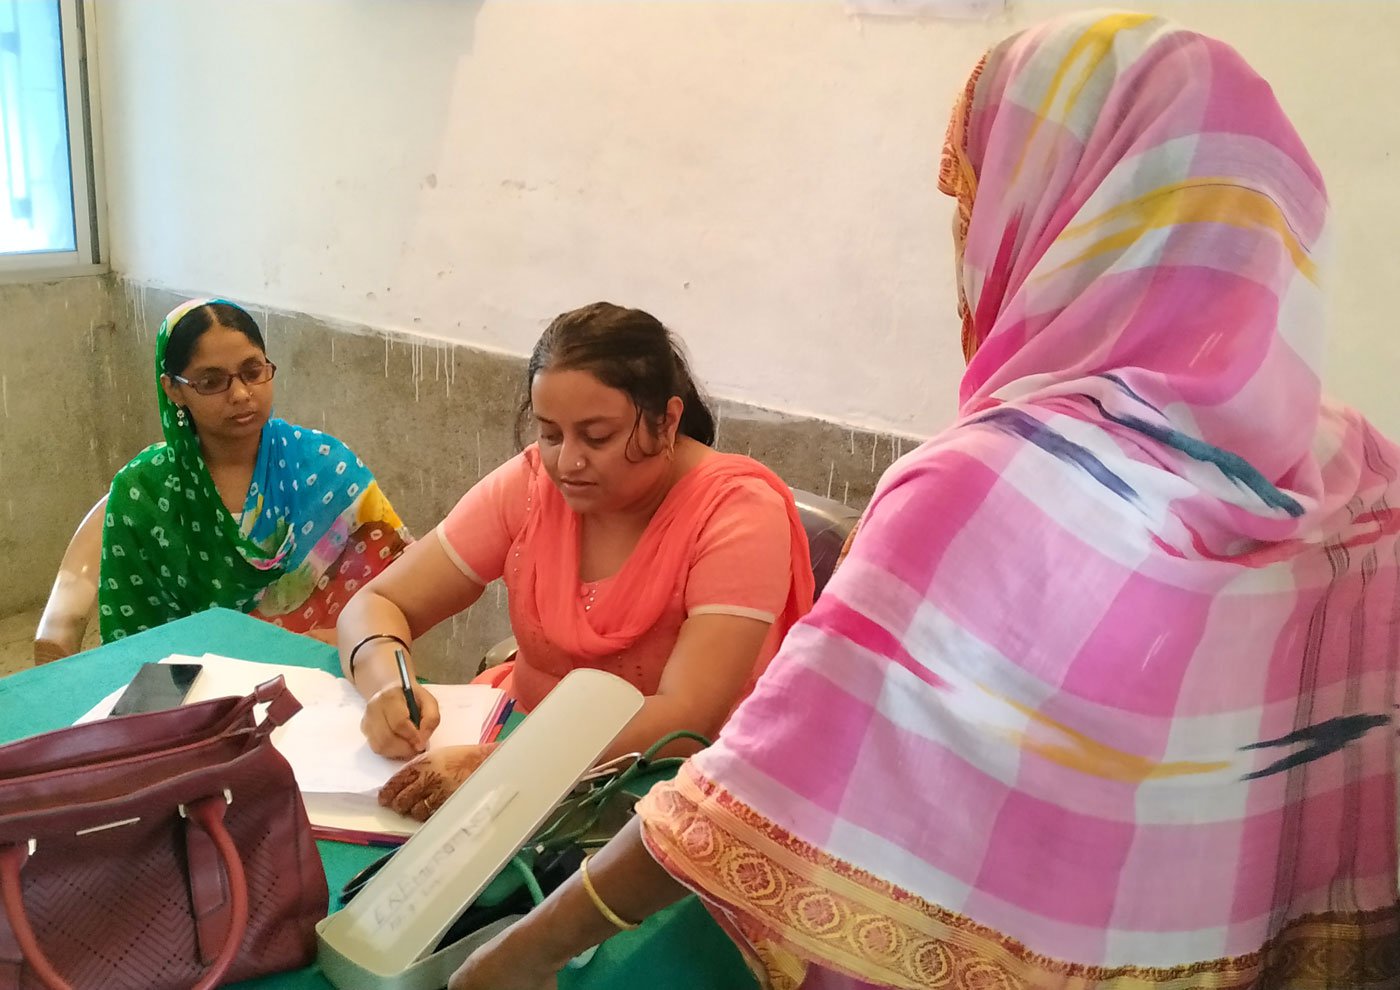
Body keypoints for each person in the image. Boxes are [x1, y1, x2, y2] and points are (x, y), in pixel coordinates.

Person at [447, 12, 1400, 990]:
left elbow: (754, 795)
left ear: (1060, 212)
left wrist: (525, 951)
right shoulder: (1359, 480)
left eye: (974, 200)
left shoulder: (986, 489)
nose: (965, 241)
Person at [340, 302, 815, 818]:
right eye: (549, 433)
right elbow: (381, 601)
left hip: (656, 791)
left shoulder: (737, 512)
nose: (567, 462)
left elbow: (685, 721)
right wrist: (389, 686)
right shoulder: (530, 486)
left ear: (667, 421)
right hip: (512, 738)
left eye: (598, 437)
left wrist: (507, 768)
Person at [99, 298, 410, 644]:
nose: (241, 394)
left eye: (252, 372)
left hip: (324, 675)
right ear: (173, 389)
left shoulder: (325, 464)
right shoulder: (143, 490)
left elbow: (394, 589)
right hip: (192, 686)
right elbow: (133, 637)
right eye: (211, 382)